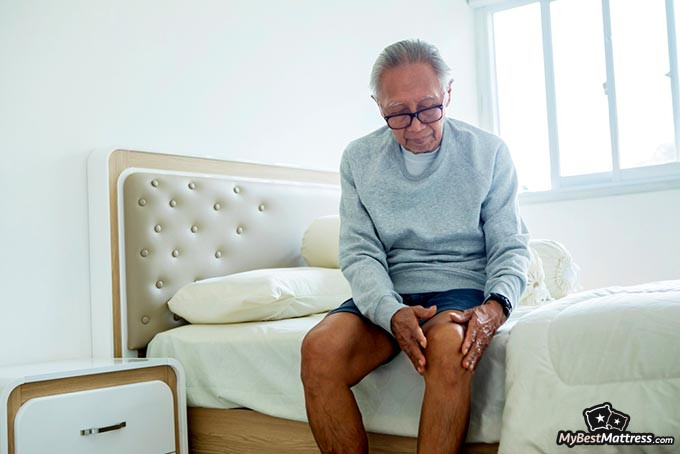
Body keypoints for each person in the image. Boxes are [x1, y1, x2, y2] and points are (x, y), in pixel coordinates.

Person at [300, 39, 530, 454]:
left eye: (428, 108)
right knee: (319, 348)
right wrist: (390, 312)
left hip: (459, 288)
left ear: (448, 94)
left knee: (449, 349)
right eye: (398, 115)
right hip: (387, 292)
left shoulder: (488, 152)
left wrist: (497, 306)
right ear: (378, 106)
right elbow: (359, 252)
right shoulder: (358, 159)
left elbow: (510, 245)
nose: (417, 126)